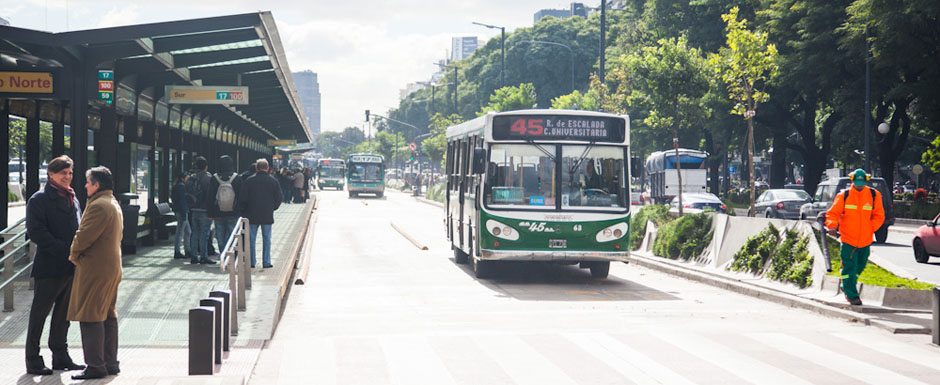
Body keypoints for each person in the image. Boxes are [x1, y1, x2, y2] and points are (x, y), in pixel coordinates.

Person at [24, 155, 85, 375]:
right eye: (63, 173)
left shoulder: (73, 198)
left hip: (70, 266)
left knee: (63, 315)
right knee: (39, 314)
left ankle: (60, 355)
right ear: (51, 174)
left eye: (70, 173)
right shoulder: (39, 199)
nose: (67, 177)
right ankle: (33, 359)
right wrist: (64, 249)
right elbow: (36, 232)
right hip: (49, 267)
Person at [68, 166, 123, 380]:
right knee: (108, 315)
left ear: (97, 185)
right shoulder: (112, 203)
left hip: (96, 267)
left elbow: (84, 235)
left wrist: (74, 253)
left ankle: (95, 365)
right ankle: (110, 362)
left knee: (91, 315)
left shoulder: (99, 205)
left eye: (88, 182)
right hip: (111, 266)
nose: (85, 185)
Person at [826, 168, 885, 306]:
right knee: (849, 269)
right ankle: (852, 295)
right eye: (857, 182)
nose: (859, 185)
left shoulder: (873, 195)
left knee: (859, 267)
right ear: (852, 180)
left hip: (865, 240)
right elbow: (833, 213)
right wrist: (832, 226)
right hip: (848, 240)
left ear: (866, 181)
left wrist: (871, 228)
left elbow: (879, 216)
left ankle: (846, 284)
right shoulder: (844, 195)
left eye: (862, 182)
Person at [238, 158, 282, 268]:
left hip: (251, 215)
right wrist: (272, 208)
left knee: (251, 240)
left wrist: (243, 211)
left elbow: (243, 198)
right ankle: (266, 262)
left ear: (257, 169)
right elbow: (279, 198)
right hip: (267, 214)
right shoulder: (274, 181)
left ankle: (252, 262)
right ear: (267, 168)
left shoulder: (249, 181)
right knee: (267, 239)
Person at [209, 155, 242, 254]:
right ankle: (232, 255)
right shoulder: (236, 178)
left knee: (220, 235)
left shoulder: (214, 178)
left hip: (218, 212)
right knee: (233, 234)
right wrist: (240, 211)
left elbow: (210, 197)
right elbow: (240, 196)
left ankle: (223, 254)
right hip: (233, 212)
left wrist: (210, 213)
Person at [188, 156, 216, 265]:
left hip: (194, 209)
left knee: (195, 233)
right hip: (205, 210)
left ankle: (194, 256)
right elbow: (211, 195)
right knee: (204, 234)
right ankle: (204, 256)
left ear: (196, 166)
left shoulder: (192, 177)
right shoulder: (209, 178)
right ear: (206, 167)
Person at [171, 171, 193, 260]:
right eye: (187, 178)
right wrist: (184, 212)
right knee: (180, 232)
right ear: (183, 178)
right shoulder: (181, 187)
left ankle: (187, 250)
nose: (188, 180)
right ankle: (178, 251)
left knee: (187, 231)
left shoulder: (177, 186)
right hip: (182, 212)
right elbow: (182, 201)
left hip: (180, 211)